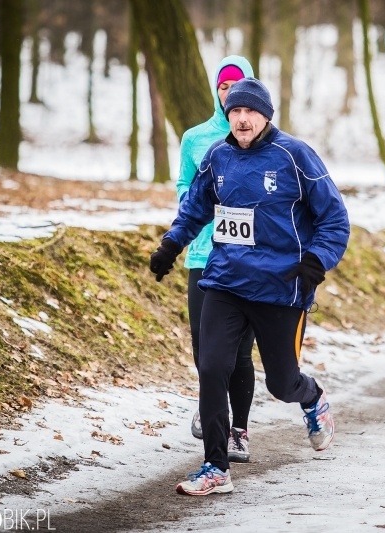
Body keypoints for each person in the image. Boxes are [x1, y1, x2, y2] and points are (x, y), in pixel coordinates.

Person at [150, 77, 350, 496]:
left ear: (266, 116)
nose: (242, 119)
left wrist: (316, 260)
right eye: (235, 111)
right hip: (226, 281)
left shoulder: (294, 155)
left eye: (250, 112)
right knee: (211, 367)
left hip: (281, 288)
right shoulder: (217, 156)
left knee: (282, 383)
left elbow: (335, 219)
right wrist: (171, 244)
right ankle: (215, 466)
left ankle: (311, 398)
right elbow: (195, 208)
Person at [178, 55, 256, 464]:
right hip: (204, 254)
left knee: (240, 351)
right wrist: (195, 205)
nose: (230, 94)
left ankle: (238, 430)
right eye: (224, 87)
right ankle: (213, 406)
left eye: (237, 86)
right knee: (203, 344)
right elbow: (183, 183)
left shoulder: (263, 139)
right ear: (216, 90)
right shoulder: (195, 139)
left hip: (250, 261)